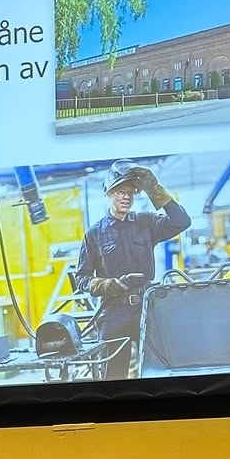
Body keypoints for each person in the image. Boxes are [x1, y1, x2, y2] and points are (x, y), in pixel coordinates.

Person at [75, 159, 192, 380]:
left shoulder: (146, 223)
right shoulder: (94, 234)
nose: (126, 197)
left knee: (158, 372)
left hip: (146, 308)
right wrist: (109, 285)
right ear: (109, 194)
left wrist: (154, 189)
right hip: (113, 312)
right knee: (113, 378)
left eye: (130, 192)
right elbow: (82, 278)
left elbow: (181, 222)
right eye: (120, 192)